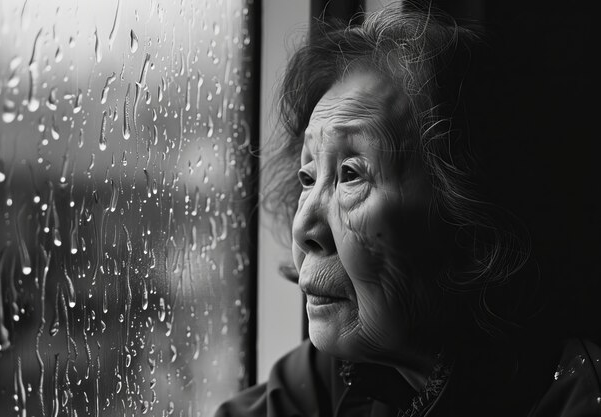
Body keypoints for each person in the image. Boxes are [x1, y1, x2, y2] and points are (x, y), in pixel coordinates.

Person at [216, 6, 601, 417]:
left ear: (469, 219)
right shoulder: (336, 374)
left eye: (350, 174)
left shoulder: (574, 398)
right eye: (307, 178)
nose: (303, 228)